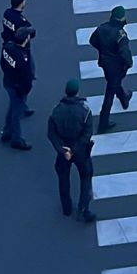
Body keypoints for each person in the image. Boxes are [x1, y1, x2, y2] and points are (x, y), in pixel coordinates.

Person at [47, 78, 95, 221]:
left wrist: (64, 150)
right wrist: (74, 149)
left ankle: (66, 208)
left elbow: (51, 134)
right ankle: (84, 208)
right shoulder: (84, 111)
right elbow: (87, 134)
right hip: (80, 150)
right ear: (77, 92)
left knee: (63, 178)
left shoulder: (56, 111)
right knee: (86, 177)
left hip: (64, 151)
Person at [89, 6, 134, 131]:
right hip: (117, 66)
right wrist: (129, 64)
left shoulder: (102, 27)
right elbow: (125, 53)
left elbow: (92, 40)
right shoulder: (120, 34)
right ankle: (103, 122)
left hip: (105, 63)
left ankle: (124, 98)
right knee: (110, 92)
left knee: (114, 83)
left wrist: (103, 51)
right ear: (122, 18)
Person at [0, 10, 36, 149]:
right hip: (18, 86)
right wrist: (25, 89)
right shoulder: (23, 58)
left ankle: (7, 131)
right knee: (16, 111)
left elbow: (2, 64)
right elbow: (26, 78)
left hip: (8, 82)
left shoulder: (7, 48)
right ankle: (16, 139)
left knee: (14, 106)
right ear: (25, 40)